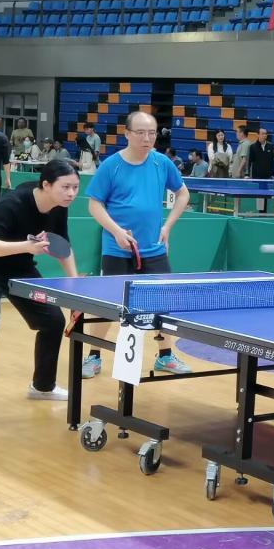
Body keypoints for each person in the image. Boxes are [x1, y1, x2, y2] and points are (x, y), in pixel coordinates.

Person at [0, 160, 81, 426]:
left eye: (75, 187)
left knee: (53, 322)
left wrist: (75, 287)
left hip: (20, 269)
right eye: (66, 187)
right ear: (46, 185)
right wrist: (26, 246)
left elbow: (62, 246)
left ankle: (42, 386)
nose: (71, 193)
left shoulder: (59, 207)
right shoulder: (13, 203)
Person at [82, 110, 192, 377]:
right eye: (140, 133)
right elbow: (94, 204)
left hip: (153, 249)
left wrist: (167, 227)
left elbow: (182, 194)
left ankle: (165, 356)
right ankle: (93, 356)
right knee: (110, 303)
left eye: (151, 133)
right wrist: (116, 231)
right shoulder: (111, 165)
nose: (147, 138)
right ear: (127, 134)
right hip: (117, 248)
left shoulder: (161, 163)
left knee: (162, 303)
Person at [248, 128, 274, 212]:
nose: (265, 135)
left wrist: (272, 174)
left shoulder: (270, 146)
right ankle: (260, 212)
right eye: (263, 133)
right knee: (259, 195)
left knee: (265, 195)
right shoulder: (253, 147)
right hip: (257, 177)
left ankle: (263, 212)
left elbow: (272, 161)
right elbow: (250, 161)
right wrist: (247, 174)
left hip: (267, 177)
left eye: (265, 134)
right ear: (258, 135)